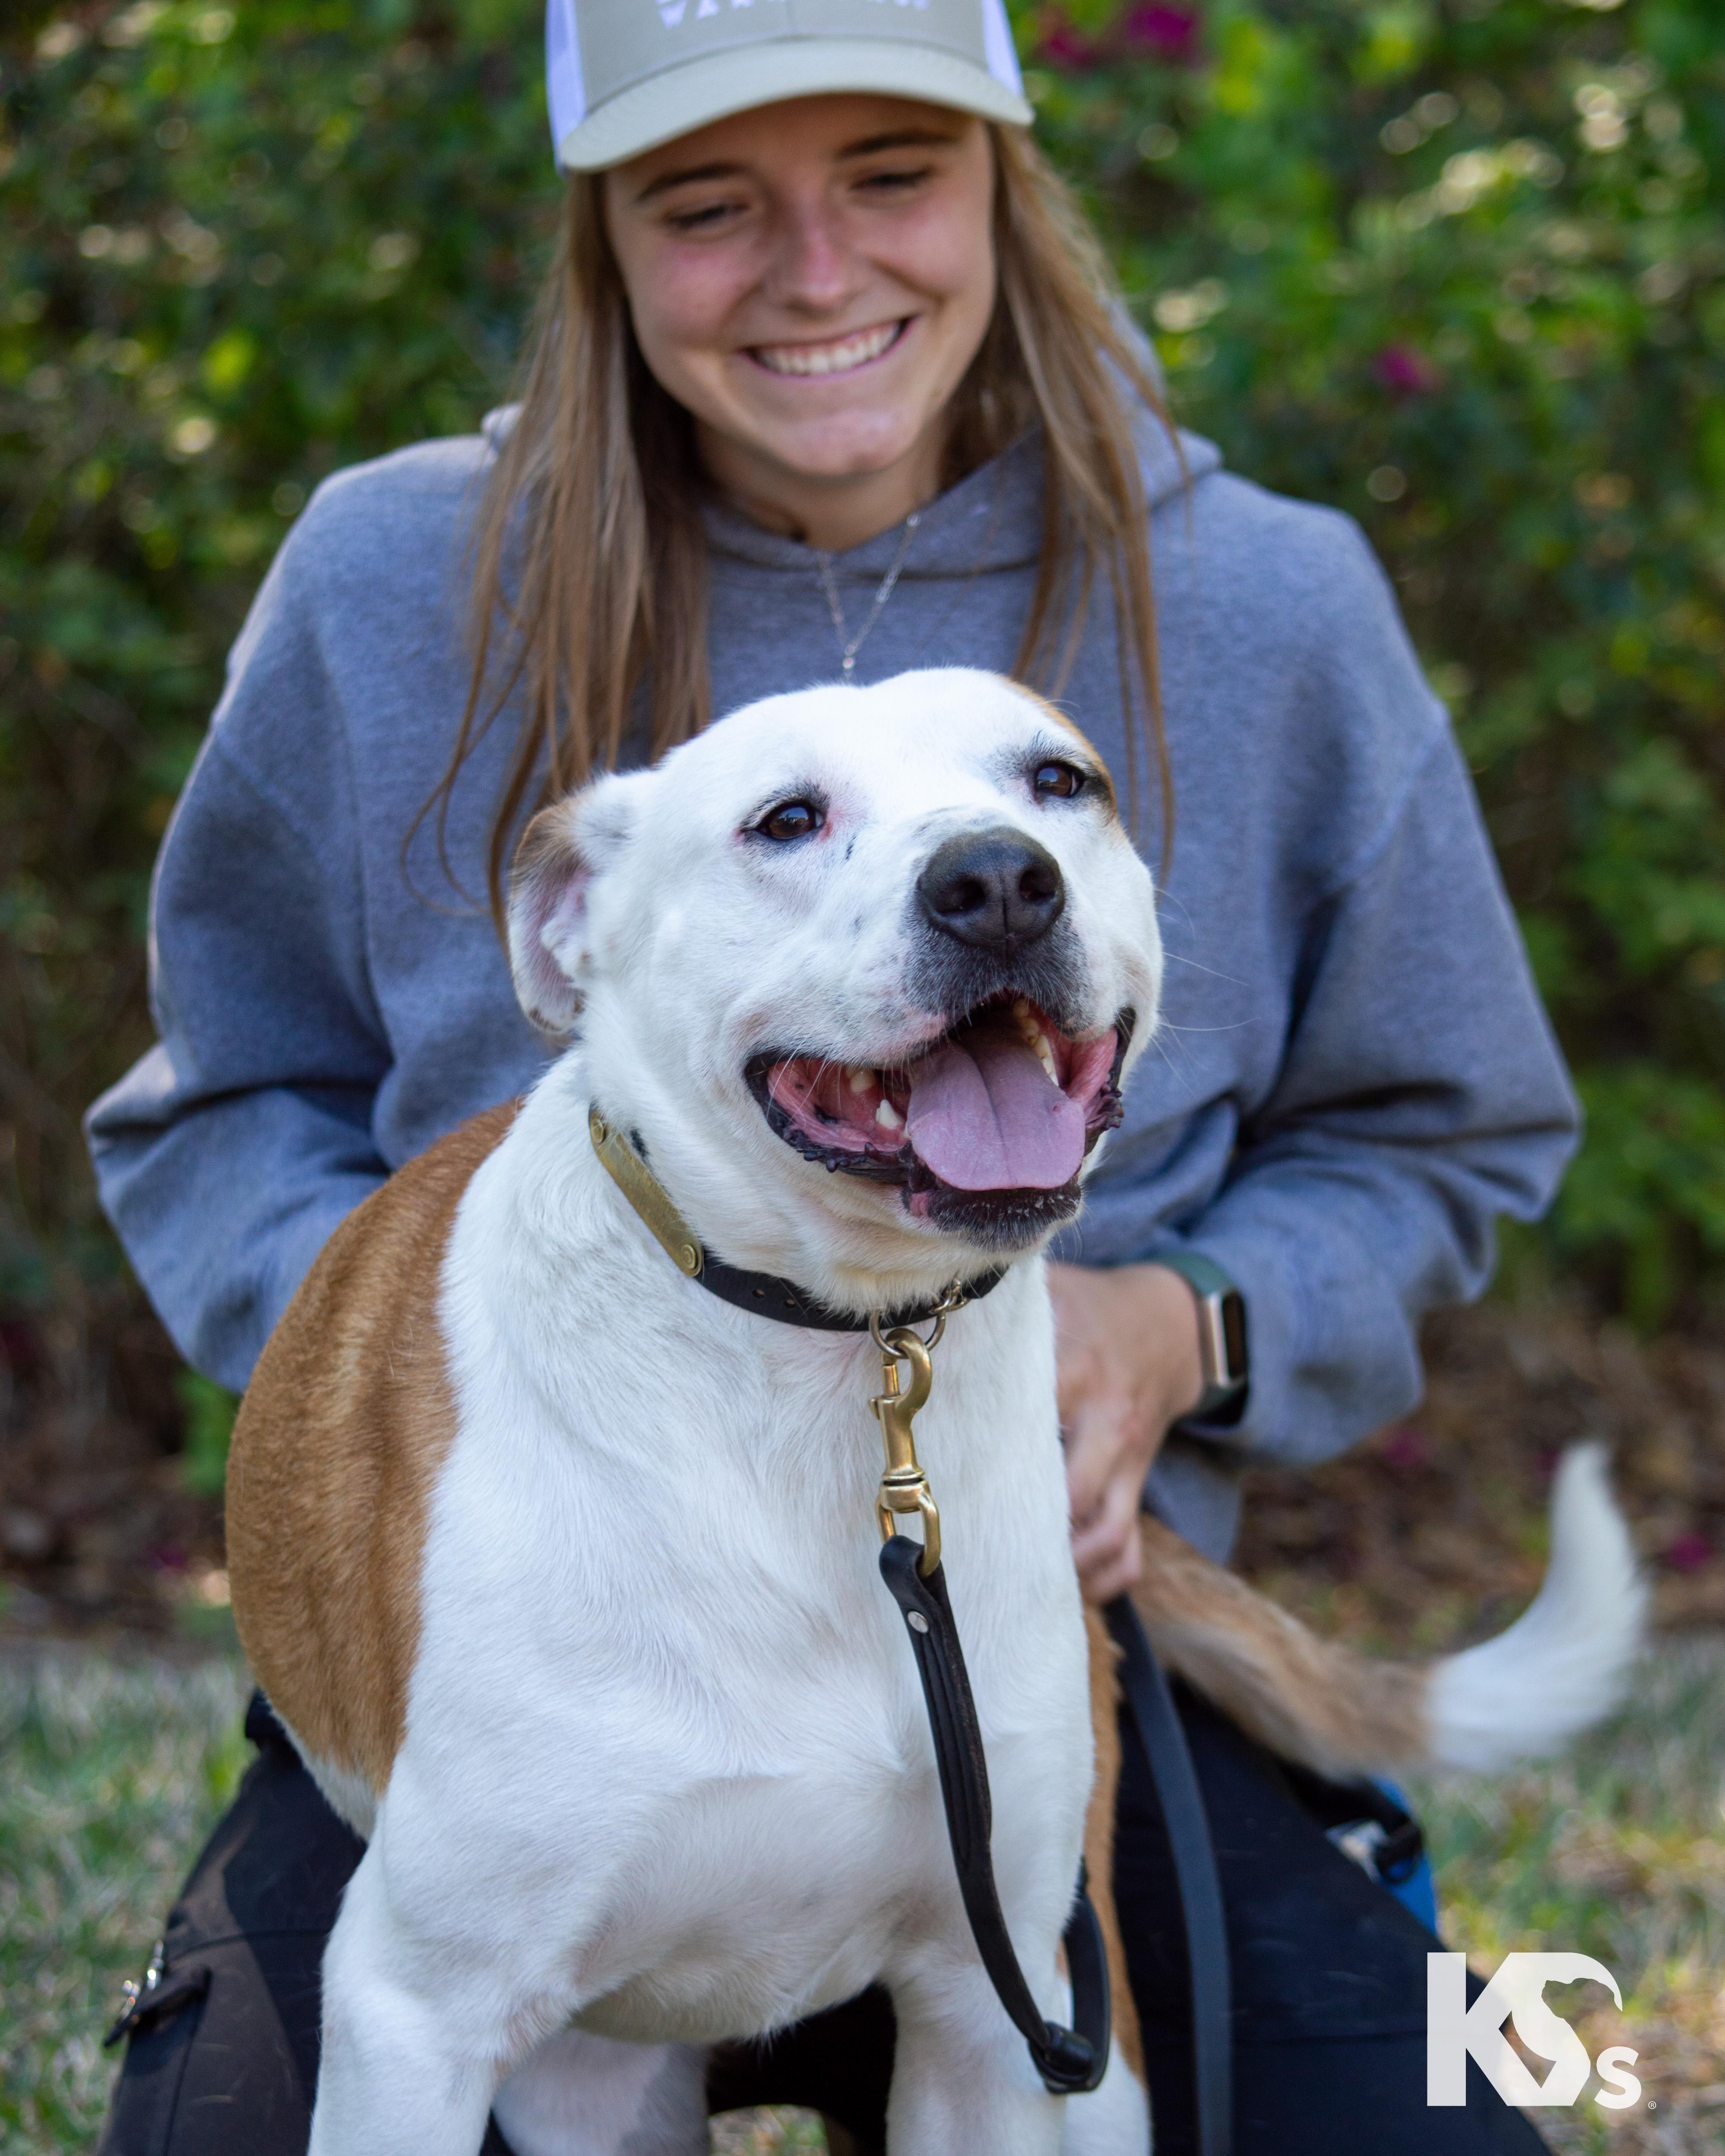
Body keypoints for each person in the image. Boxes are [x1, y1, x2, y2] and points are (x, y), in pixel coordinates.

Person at [87, 3, 1578, 2150]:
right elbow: (217, 1104)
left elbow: (1449, 1128)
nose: (815, 270)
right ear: (605, 241)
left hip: (1030, 1623)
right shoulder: (389, 575)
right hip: (516, 1631)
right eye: (709, 205)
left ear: (1003, 184)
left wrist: (1185, 1325)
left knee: (1447, 2132)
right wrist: (453, 1386)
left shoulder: (1266, 595)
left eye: (891, 170)